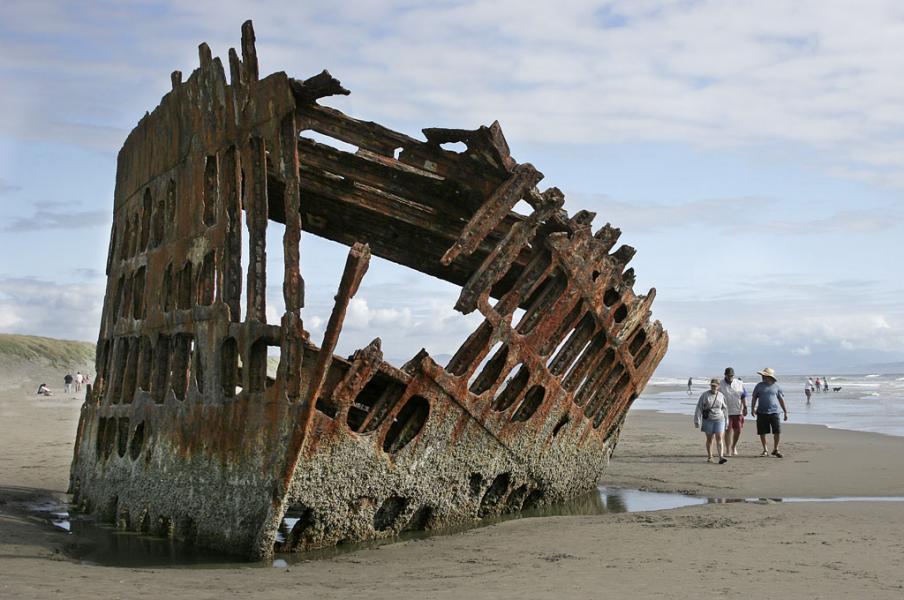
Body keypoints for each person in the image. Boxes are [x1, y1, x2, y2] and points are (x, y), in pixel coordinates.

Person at [751, 367, 789, 458]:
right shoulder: (759, 386)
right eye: (763, 375)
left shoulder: (776, 386)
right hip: (761, 412)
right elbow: (754, 398)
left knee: (777, 431)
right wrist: (752, 409)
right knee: (762, 432)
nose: (763, 377)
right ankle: (765, 450)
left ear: (770, 377)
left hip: (774, 412)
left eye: (765, 375)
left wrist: (785, 412)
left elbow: (781, 399)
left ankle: (776, 449)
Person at [693, 377, 729, 464]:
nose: (714, 387)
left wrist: (727, 421)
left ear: (718, 386)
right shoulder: (705, 395)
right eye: (712, 386)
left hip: (720, 419)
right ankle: (710, 456)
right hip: (708, 420)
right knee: (710, 439)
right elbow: (699, 407)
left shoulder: (721, 396)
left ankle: (721, 457)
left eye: (715, 386)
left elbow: (725, 409)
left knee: (719, 438)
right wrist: (697, 420)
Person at [718, 367, 747, 456]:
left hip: (738, 411)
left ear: (733, 375)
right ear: (725, 375)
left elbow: (743, 396)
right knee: (728, 430)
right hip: (725, 411)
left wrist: (745, 407)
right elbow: (717, 396)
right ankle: (728, 450)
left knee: (738, 430)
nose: (730, 377)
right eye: (728, 375)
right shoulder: (720, 384)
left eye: (731, 375)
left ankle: (733, 446)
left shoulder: (739, 383)